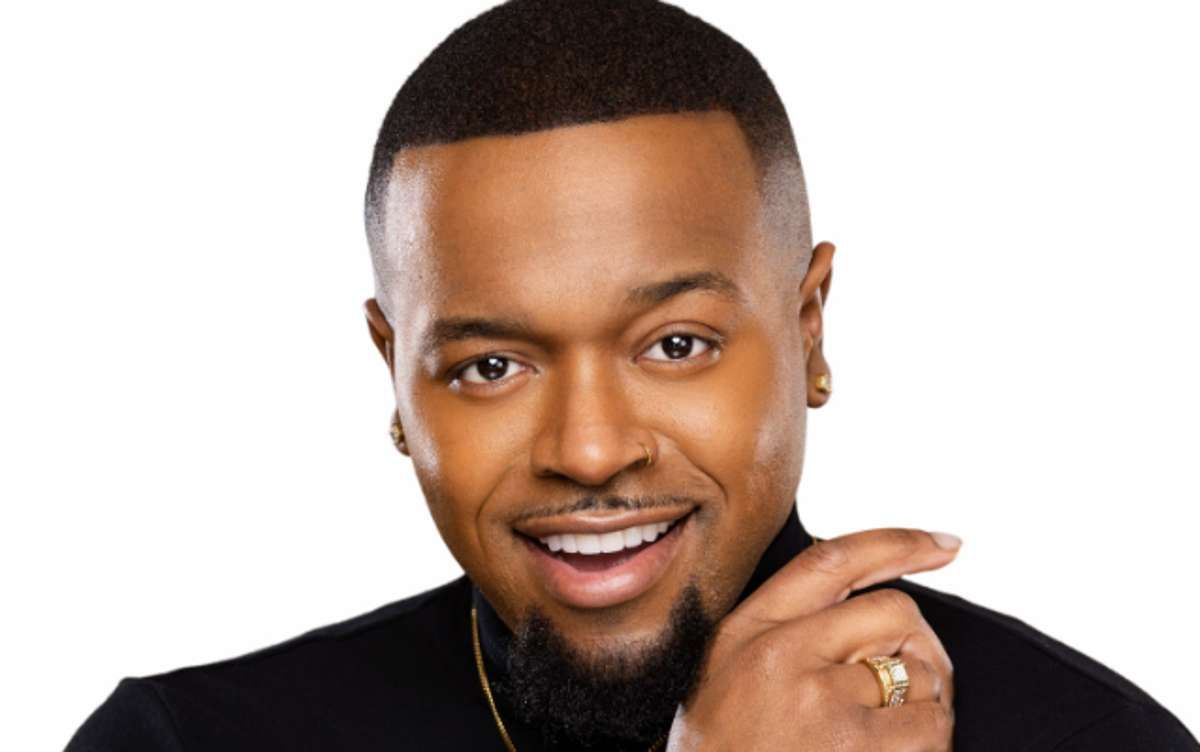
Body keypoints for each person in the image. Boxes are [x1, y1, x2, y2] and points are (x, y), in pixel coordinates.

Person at [65, 1, 1198, 750]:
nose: (592, 449)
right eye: (491, 365)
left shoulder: (1089, 741)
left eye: (675, 345)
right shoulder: (187, 744)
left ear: (808, 330)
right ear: (395, 378)